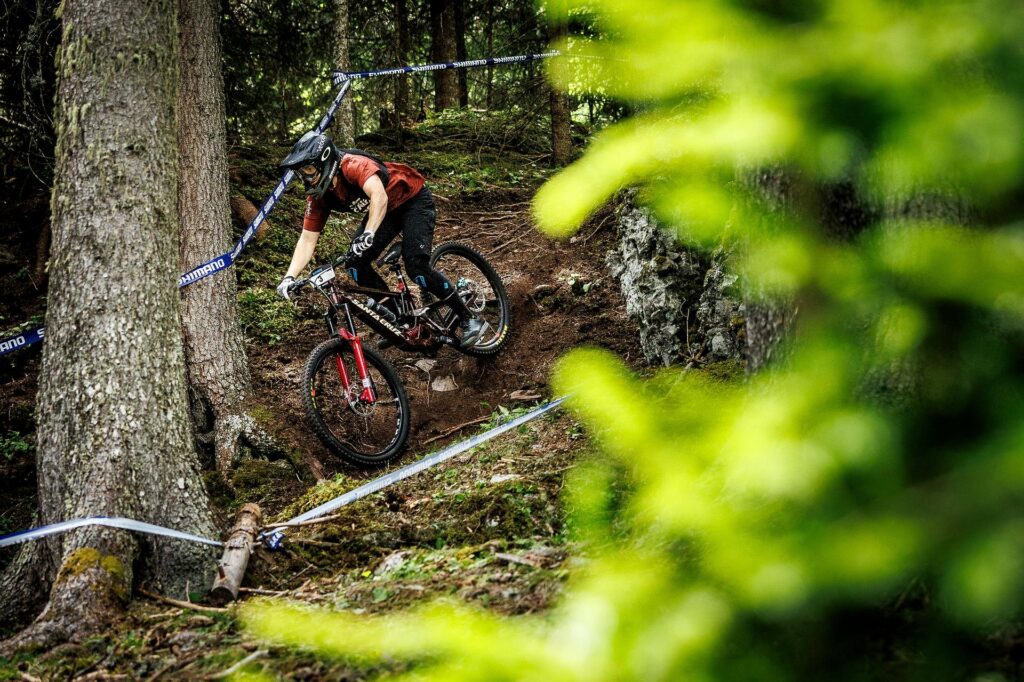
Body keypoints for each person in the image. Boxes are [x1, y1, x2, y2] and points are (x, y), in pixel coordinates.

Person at [275, 131, 486, 348]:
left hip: (412, 200)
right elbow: (307, 239)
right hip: (387, 213)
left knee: (416, 266)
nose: (306, 178)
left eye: (309, 170)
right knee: (355, 265)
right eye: (301, 173)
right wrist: (289, 278)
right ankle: (400, 321)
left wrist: (369, 233)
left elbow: (379, 196)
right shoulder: (320, 197)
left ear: (325, 160)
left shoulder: (353, 165)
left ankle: (469, 318)